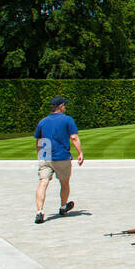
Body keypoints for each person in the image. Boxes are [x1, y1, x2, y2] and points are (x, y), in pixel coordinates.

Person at [34, 95, 83, 223]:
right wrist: (80, 153)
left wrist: (40, 155)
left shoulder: (42, 121)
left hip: (45, 155)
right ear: (60, 106)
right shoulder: (67, 120)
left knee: (43, 183)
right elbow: (73, 137)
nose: (65, 107)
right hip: (61, 156)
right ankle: (63, 207)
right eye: (64, 105)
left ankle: (40, 211)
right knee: (64, 183)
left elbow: (39, 141)